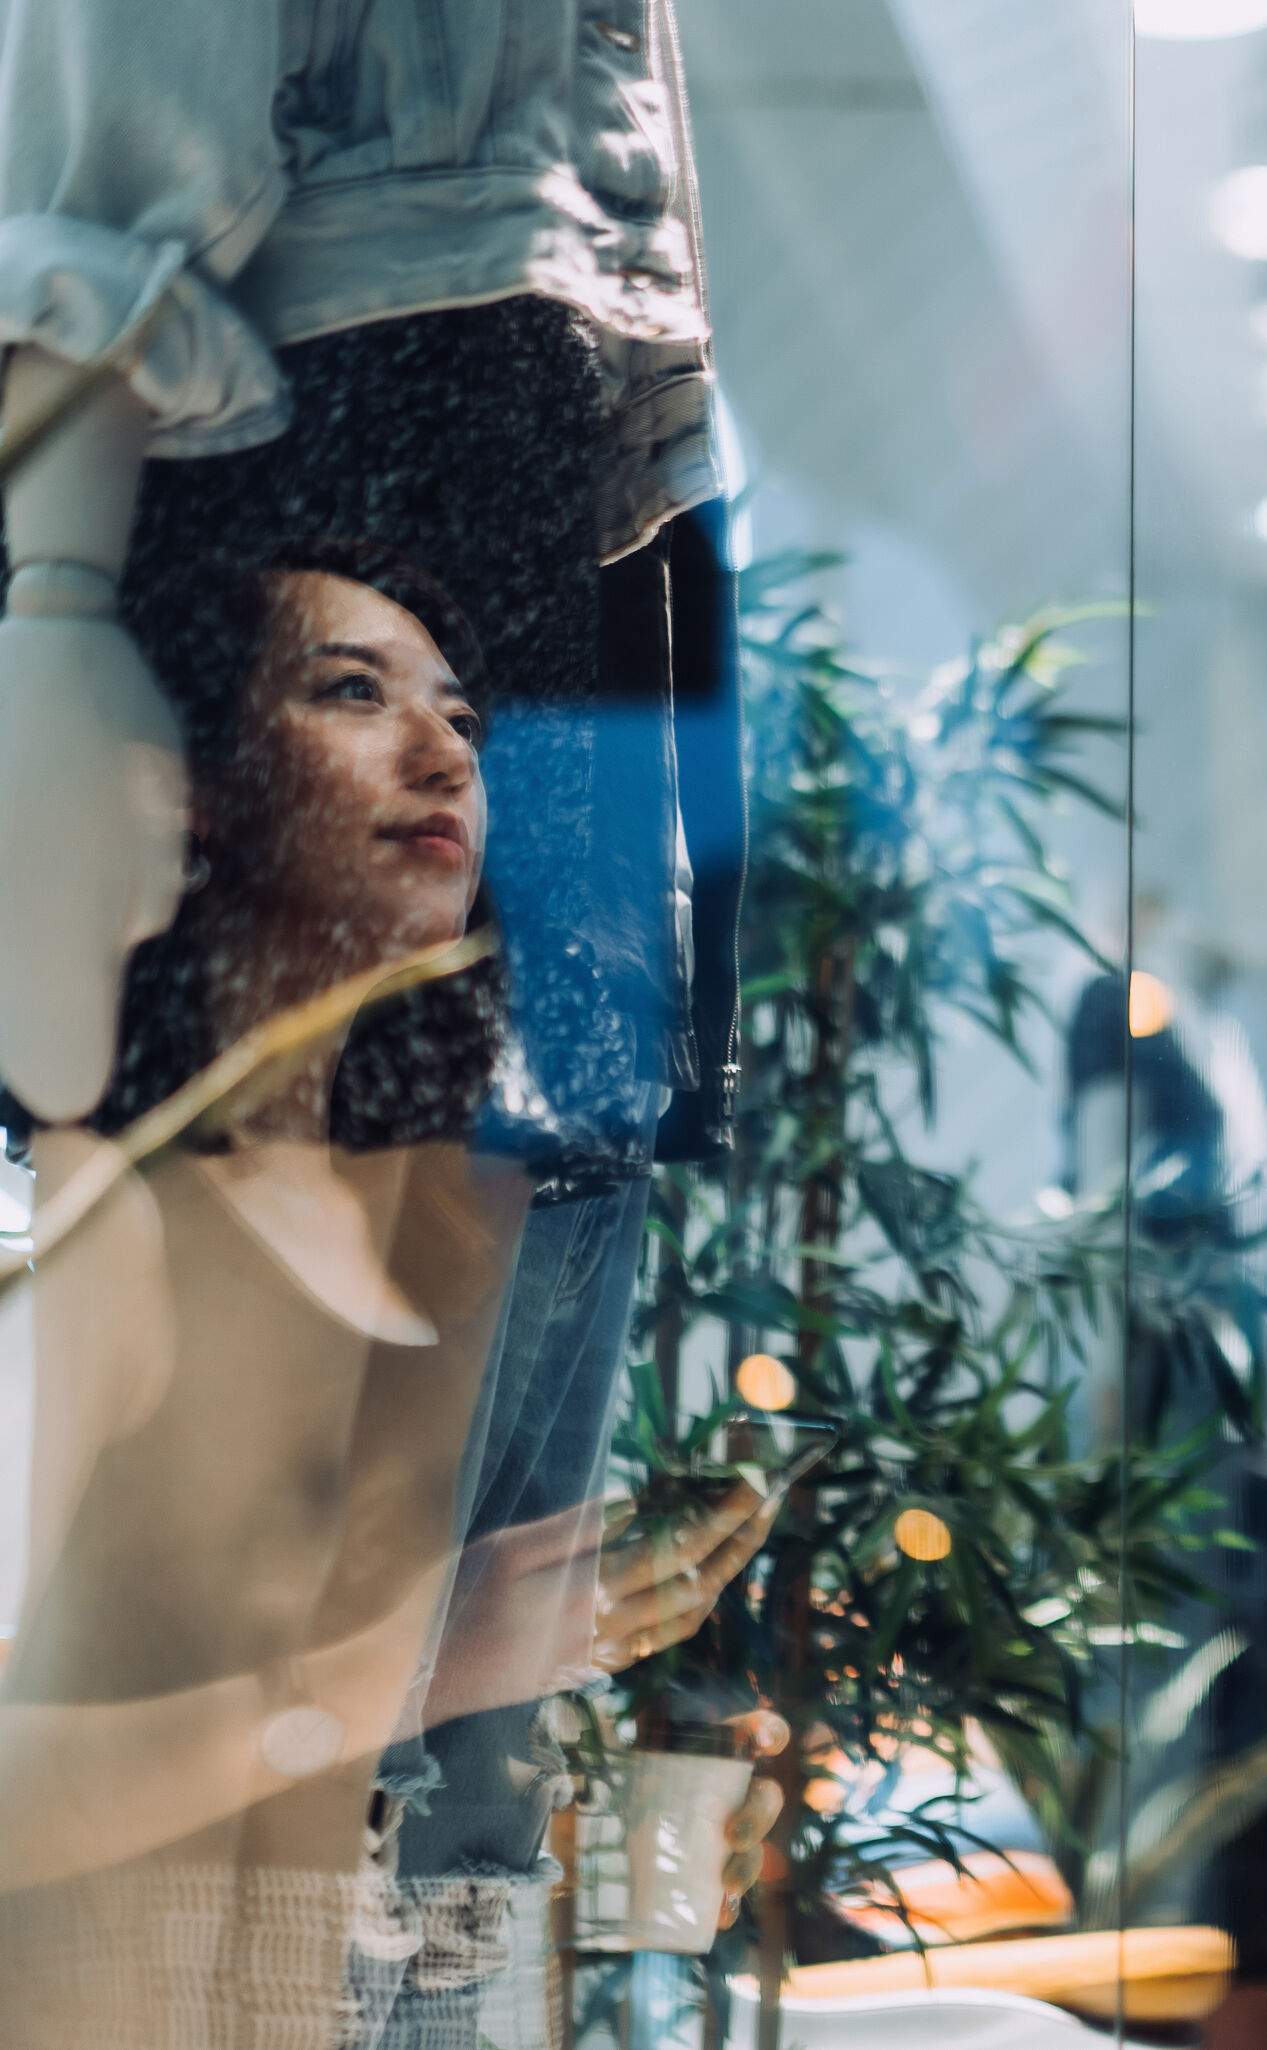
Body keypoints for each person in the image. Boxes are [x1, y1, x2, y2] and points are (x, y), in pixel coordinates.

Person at [0, 546, 769, 2048]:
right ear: (194, 787)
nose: (443, 757)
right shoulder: (104, 1225)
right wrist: (415, 1667)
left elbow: (356, 1856)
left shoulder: (449, 1221)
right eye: (352, 692)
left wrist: (596, 1838)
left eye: (467, 720)